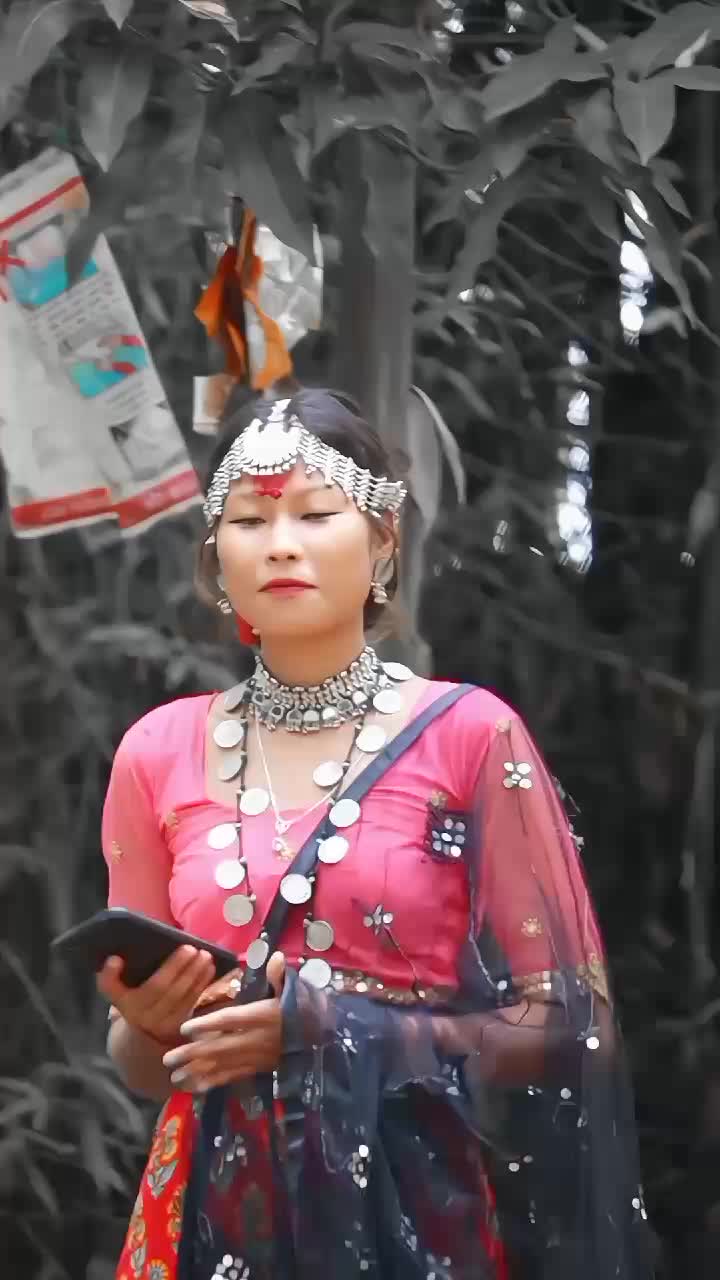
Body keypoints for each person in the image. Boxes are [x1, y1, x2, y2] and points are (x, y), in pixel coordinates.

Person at [98, 389, 653, 1280]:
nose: (281, 544)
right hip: (204, 1217)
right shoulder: (156, 749)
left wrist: (331, 1029)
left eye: (317, 514)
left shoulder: (470, 735)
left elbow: (572, 1026)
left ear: (384, 542)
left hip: (411, 1212)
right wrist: (149, 1024)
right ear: (216, 556)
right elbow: (141, 1062)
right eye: (249, 521)